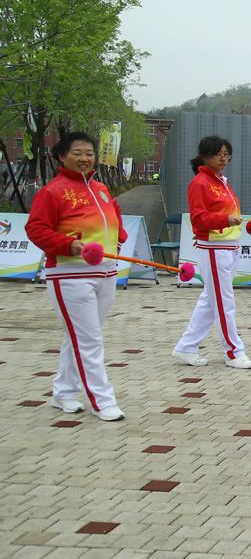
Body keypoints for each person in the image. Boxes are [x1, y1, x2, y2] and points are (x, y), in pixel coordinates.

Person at [26, 132, 128, 421]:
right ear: (61, 156)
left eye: (89, 153)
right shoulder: (52, 191)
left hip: (106, 271)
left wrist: (118, 241)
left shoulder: (101, 189)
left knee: (80, 336)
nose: (85, 158)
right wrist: (68, 244)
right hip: (69, 275)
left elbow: (116, 220)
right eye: (77, 153)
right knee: (89, 339)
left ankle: (64, 392)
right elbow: (36, 229)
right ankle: (102, 400)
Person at [173, 136, 251, 369]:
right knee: (224, 301)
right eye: (218, 153)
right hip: (213, 249)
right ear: (205, 156)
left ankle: (186, 347)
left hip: (229, 247)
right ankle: (233, 351)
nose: (223, 157)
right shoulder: (200, 183)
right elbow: (198, 219)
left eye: (226, 153)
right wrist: (225, 219)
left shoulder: (222, 181)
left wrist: (230, 222)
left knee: (211, 299)